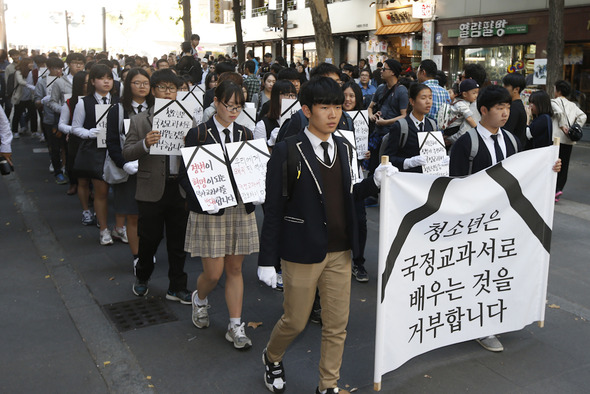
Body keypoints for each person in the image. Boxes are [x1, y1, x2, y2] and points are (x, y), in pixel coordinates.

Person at [257, 76, 396, 394]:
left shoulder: (346, 146)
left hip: (340, 250)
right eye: (324, 107)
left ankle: (328, 386)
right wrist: (267, 261)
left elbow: (351, 193)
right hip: (301, 250)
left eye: (337, 106)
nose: (333, 114)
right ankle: (272, 356)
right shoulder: (286, 150)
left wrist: (374, 181)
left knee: (337, 325)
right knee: (295, 320)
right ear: (306, 110)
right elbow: (274, 209)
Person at [450, 85, 561, 353]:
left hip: (506, 220)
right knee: (477, 273)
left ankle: (492, 318)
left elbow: (523, 172)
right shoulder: (467, 143)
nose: (505, 113)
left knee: (499, 269)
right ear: (484, 110)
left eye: (507, 107)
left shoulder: (511, 140)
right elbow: (454, 185)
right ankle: (478, 326)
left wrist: (549, 168)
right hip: (476, 222)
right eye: (499, 108)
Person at [179, 80, 260, 350]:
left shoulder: (247, 134)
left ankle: (235, 325)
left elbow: (255, 170)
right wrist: (204, 200)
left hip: (238, 207)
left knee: (235, 269)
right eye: (229, 105)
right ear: (216, 102)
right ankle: (200, 299)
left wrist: (259, 188)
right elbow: (185, 175)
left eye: (239, 106)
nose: (234, 111)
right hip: (210, 207)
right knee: (213, 273)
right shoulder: (198, 134)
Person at [122, 68, 192, 304]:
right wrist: (145, 143)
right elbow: (127, 152)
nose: (167, 92)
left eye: (172, 88)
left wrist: (190, 144)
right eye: (162, 87)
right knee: (149, 239)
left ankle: (177, 286)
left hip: (179, 188)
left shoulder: (189, 120)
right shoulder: (140, 120)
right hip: (151, 189)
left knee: (178, 241)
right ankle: (142, 277)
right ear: (153, 91)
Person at [106, 68, 154, 267]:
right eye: (137, 83)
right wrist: (124, 163)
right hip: (129, 171)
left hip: (152, 169)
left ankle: (148, 250)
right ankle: (138, 257)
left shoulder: (157, 107)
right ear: (128, 86)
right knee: (133, 215)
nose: (142, 87)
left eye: (145, 83)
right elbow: (112, 142)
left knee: (150, 217)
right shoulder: (117, 110)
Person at [71, 64, 117, 246]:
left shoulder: (119, 100)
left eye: (109, 78)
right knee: (102, 192)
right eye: (101, 78)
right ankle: (104, 229)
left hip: (116, 150)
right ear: (93, 81)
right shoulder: (84, 102)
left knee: (120, 192)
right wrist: (89, 133)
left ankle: (119, 227)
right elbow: (75, 127)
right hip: (96, 151)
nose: (106, 81)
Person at [342, 80, 371, 282]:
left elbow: (373, 141)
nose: (348, 99)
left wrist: (368, 152)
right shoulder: (333, 118)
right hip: (336, 175)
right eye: (344, 95)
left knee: (360, 220)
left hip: (357, 174)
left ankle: (358, 261)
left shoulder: (362, 119)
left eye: (352, 96)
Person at [384, 83, 439, 173]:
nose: (428, 102)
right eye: (423, 98)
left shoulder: (432, 124)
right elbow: (388, 158)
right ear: (412, 101)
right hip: (407, 180)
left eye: (430, 97)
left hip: (427, 179)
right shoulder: (400, 126)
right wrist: (409, 162)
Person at [367, 59, 408, 174]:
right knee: (373, 166)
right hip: (377, 132)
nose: (381, 71)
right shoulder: (380, 88)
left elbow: (404, 115)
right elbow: (370, 107)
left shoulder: (402, 91)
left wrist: (386, 122)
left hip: (391, 135)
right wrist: (372, 116)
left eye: (384, 69)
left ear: (392, 72)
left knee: (386, 168)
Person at [551, 79, 587, 202]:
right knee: (564, 165)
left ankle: (553, 188)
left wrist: (562, 126)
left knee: (554, 164)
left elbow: (559, 112)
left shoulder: (554, 101)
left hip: (556, 138)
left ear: (558, 90)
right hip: (568, 140)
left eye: (555, 89)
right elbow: (583, 116)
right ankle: (559, 188)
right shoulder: (573, 105)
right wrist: (575, 127)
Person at [34, 56, 66, 184]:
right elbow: (36, 102)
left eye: (60, 68)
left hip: (65, 118)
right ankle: (57, 168)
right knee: (54, 146)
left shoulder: (66, 81)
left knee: (65, 146)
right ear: (48, 69)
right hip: (49, 118)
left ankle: (64, 167)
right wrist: (42, 100)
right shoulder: (42, 82)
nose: (58, 71)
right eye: (55, 68)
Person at [59, 71, 89, 200]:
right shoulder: (70, 102)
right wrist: (74, 129)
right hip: (75, 139)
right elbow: (61, 124)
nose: (89, 85)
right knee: (74, 163)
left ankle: (91, 189)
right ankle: (73, 184)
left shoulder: (98, 100)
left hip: (92, 138)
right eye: (86, 82)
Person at [444, 78, 479, 147]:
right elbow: (469, 118)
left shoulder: (462, 102)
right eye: (474, 93)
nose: (476, 95)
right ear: (465, 94)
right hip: (452, 129)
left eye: (477, 92)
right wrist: (477, 129)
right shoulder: (461, 105)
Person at [11, 58, 37, 139]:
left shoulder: (32, 72)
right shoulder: (18, 72)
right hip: (20, 98)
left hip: (30, 97)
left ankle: (34, 131)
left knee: (33, 115)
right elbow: (20, 81)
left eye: (32, 63)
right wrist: (30, 86)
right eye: (30, 63)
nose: (32, 64)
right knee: (17, 115)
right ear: (25, 64)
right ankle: (15, 131)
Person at [502, 73, 527, 145]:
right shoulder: (517, 105)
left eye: (506, 86)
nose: (503, 88)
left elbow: (507, 132)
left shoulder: (514, 108)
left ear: (516, 89)